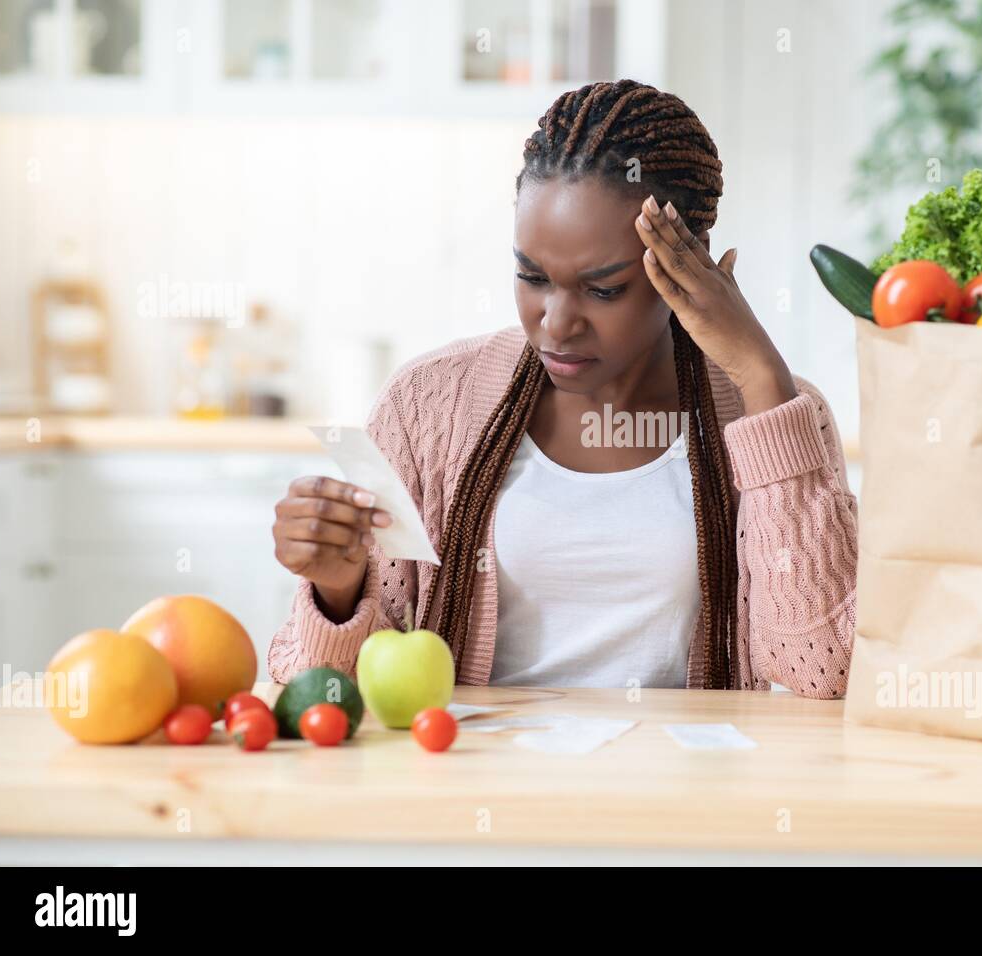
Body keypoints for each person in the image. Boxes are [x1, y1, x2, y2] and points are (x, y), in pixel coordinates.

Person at [269, 79, 857, 697]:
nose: (556, 322)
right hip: (477, 785)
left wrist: (762, 376)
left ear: (690, 260)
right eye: (532, 277)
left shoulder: (775, 412)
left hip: (685, 789)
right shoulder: (426, 405)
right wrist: (338, 591)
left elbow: (824, 670)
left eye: (604, 289)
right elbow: (326, 694)